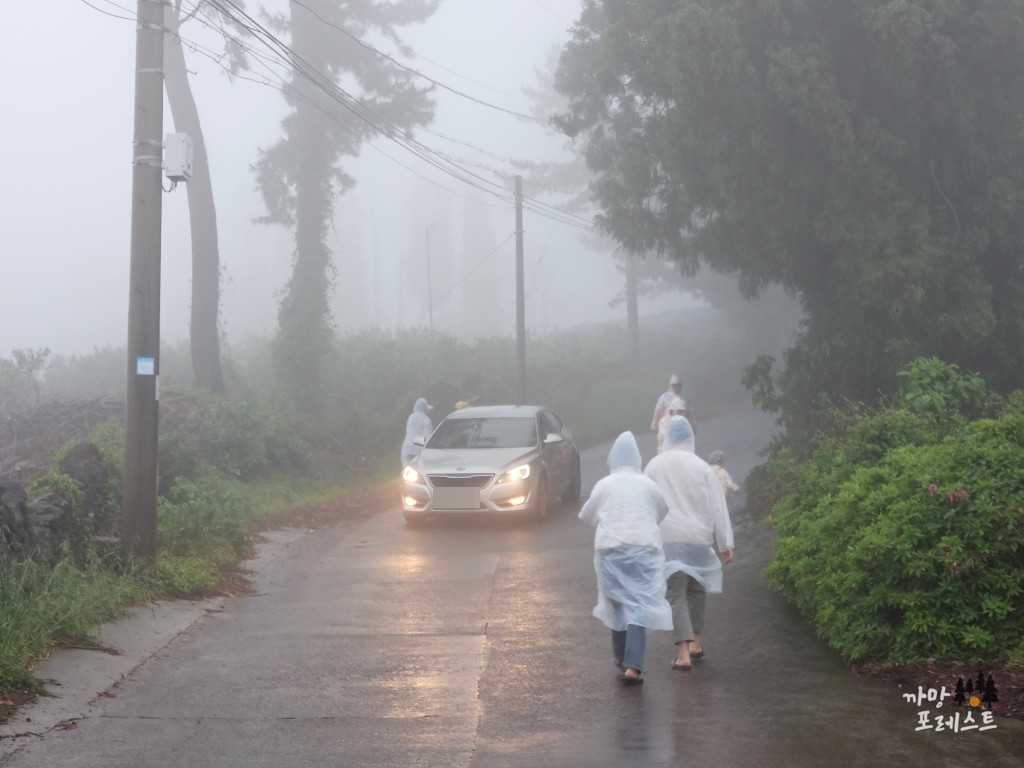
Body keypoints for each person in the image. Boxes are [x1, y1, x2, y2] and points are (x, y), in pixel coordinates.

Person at [579, 432, 673, 684]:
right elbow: (662, 512)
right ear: (636, 459)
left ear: (613, 458)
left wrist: (609, 518)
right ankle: (633, 665)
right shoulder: (647, 484)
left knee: (617, 603)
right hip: (643, 550)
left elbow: (585, 517)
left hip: (610, 551)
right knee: (638, 604)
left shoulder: (604, 484)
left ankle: (621, 658)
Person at [643, 416, 734, 672]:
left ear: (667, 437)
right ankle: (695, 644)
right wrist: (725, 543)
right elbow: (718, 506)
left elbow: (645, 501)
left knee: (676, 594)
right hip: (698, 538)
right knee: (695, 590)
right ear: (690, 438)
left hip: (669, 537)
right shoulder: (701, 467)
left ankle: (683, 654)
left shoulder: (654, 465)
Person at [400, 397, 433, 468]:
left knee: (407, 473)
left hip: (406, 448)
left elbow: (412, 436)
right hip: (418, 450)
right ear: (425, 409)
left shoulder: (411, 417)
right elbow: (428, 438)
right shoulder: (426, 420)